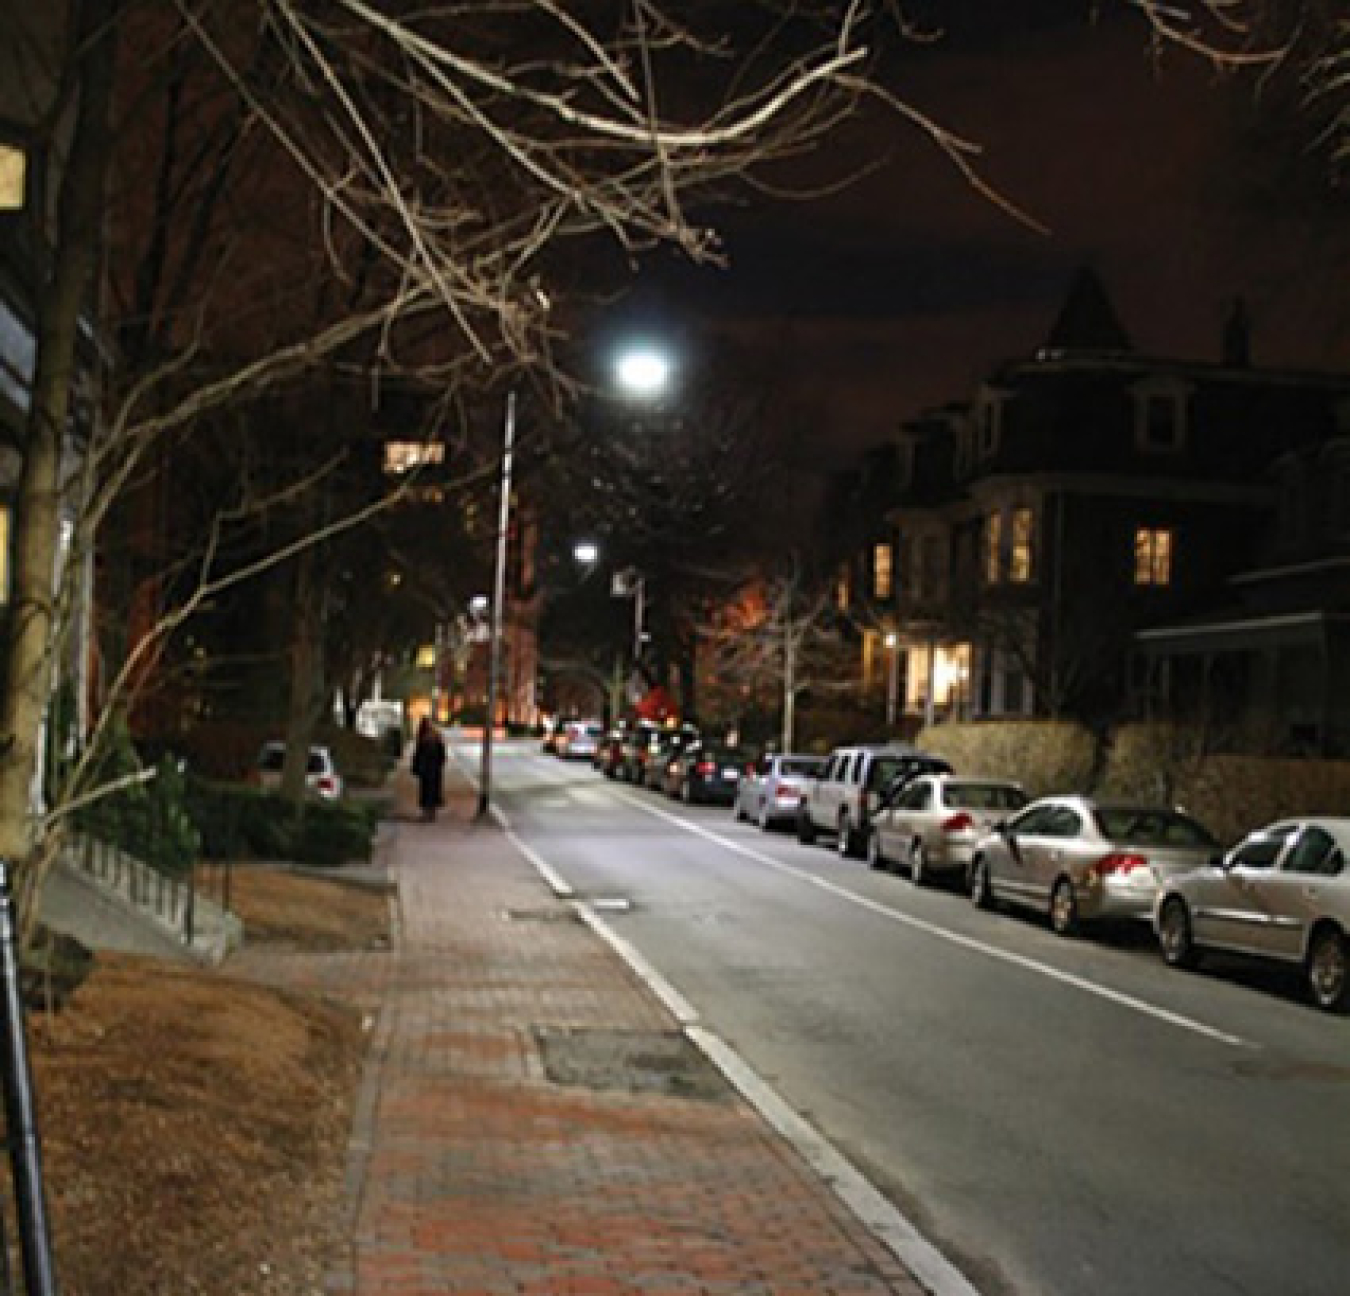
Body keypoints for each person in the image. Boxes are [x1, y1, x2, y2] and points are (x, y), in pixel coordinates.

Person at [410, 717, 446, 821]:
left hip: (426, 770)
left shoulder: (423, 739)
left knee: (426, 791)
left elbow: (418, 755)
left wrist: (416, 767)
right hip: (435, 770)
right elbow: (442, 756)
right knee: (433, 791)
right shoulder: (437, 738)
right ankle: (432, 813)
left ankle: (426, 814)